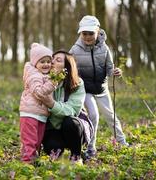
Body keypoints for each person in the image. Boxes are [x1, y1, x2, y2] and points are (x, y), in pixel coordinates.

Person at [69, 15, 129, 159]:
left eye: (91, 33)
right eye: (84, 33)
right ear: (80, 33)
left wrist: (115, 72)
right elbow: (70, 69)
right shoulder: (75, 50)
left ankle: (122, 142)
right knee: (94, 115)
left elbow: (109, 68)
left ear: (98, 31)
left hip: (102, 89)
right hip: (86, 90)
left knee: (111, 116)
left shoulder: (105, 48)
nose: (88, 37)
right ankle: (91, 147)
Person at [35, 50, 87, 163]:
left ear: (67, 67)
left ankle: (76, 157)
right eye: (52, 59)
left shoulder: (78, 83)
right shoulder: (41, 81)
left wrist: (52, 104)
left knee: (71, 122)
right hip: (52, 127)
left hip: (72, 128)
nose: (51, 62)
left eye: (57, 60)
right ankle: (59, 156)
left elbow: (73, 110)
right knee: (54, 150)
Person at [19, 43, 57, 163]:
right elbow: (39, 93)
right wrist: (53, 83)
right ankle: (27, 164)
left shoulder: (46, 75)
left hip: (41, 114)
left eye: (48, 61)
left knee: (38, 141)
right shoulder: (33, 75)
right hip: (30, 113)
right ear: (35, 63)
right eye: (42, 62)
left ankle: (34, 162)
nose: (46, 64)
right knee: (30, 141)